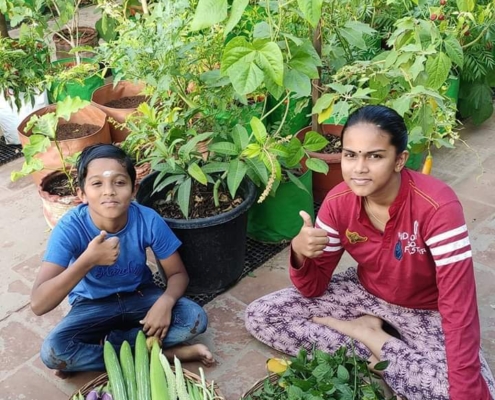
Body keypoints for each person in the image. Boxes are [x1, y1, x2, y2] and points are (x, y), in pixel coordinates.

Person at [245, 105, 495, 399]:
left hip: (427, 311)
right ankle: (380, 349)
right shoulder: (338, 203)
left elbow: (458, 304)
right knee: (263, 316)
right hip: (364, 295)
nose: (359, 168)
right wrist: (299, 253)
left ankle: (374, 339)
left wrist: (465, 391)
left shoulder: (438, 207)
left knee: (469, 392)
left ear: (400, 160)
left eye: (374, 156)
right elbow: (313, 288)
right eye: (350, 155)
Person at [31, 143, 214, 377]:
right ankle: (162, 354)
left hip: (140, 297)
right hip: (91, 305)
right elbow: (38, 303)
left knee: (194, 318)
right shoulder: (69, 228)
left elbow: (178, 275)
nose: (109, 191)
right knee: (54, 351)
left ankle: (106, 346)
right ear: (81, 194)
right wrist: (87, 260)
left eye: (119, 182)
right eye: (97, 183)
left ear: (133, 189)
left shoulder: (147, 219)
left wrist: (165, 302)